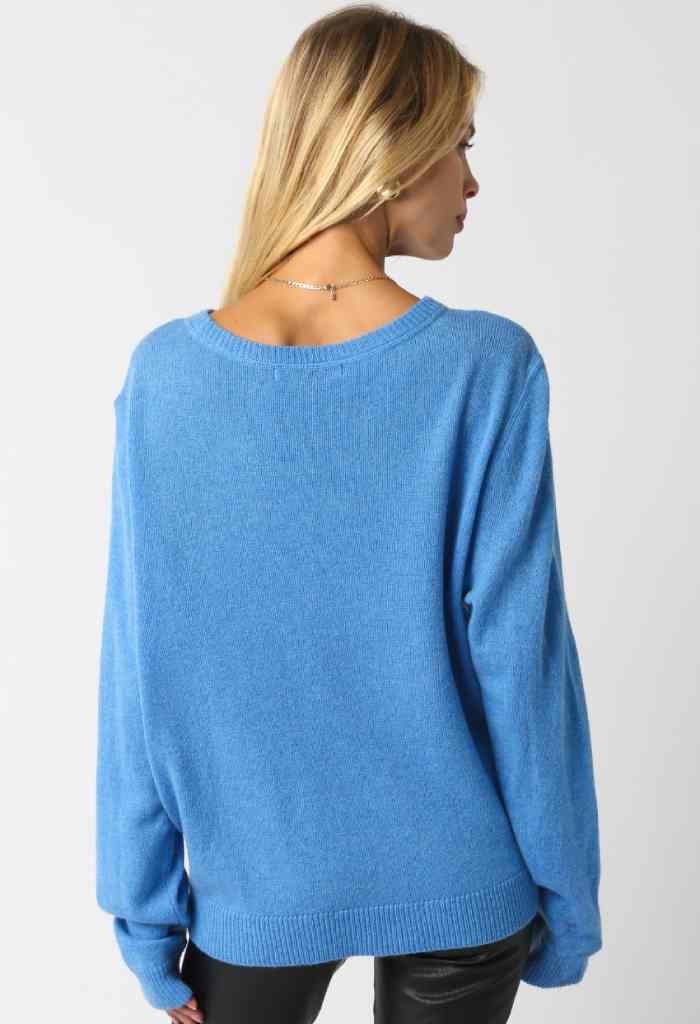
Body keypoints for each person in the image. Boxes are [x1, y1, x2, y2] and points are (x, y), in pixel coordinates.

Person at [95, 5, 603, 1023]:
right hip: (463, 886)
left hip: (254, 894)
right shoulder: (484, 367)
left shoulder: (169, 378)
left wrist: (144, 914)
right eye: (460, 145)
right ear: (392, 147)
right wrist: (567, 895)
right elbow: (522, 662)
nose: (471, 182)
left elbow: (142, 668)